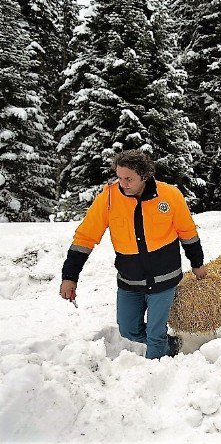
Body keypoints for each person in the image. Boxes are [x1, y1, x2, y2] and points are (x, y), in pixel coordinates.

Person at [60, 150, 207, 359]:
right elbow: (85, 238)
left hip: (164, 279)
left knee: (155, 336)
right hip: (129, 281)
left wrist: (197, 263)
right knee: (128, 330)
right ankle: (170, 345)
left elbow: (188, 233)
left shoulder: (170, 196)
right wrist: (70, 276)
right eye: (119, 178)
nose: (123, 183)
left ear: (144, 176)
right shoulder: (109, 198)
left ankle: (153, 379)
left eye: (128, 179)